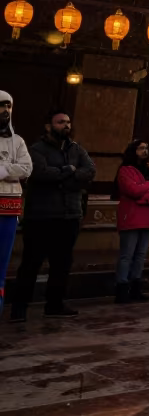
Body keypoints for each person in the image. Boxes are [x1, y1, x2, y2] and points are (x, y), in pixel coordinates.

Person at [10, 110, 95, 321]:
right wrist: (69, 171)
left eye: (67, 122)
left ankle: (54, 304)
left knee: (62, 263)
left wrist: (64, 176)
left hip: (69, 216)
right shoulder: (36, 149)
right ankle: (19, 308)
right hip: (42, 216)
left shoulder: (76, 149)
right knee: (31, 263)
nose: (65, 125)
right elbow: (40, 173)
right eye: (60, 122)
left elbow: (90, 171)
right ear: (49, 126)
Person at [114, 140, 149, 303]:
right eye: (141, 148)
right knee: (127, 255)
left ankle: (136, 287)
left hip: (147, 216)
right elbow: (132, 190)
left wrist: (145, 191)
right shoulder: (125, 170)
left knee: (141, 255)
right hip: (131, 216)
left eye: (146, 148)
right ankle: (122, 289)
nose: (145, 151)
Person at [0, 92, 32, 317]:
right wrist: (12, 169)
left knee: (1, 262)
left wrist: (3, 170)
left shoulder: (17, 141)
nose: (5, 111)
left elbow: (26, 168)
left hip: (8, 209)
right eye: (1, 106)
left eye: (8, 106)